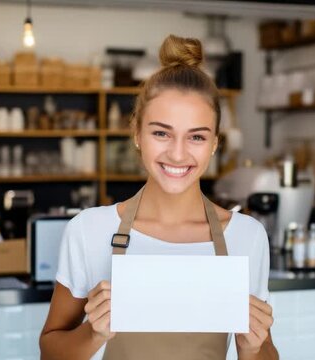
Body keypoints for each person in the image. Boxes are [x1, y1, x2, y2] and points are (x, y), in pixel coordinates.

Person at [39, 34, 278, 360]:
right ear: (137, 133)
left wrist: (253, 348)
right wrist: (93, 333)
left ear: (214, 145)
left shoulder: (247, 236)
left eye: (196, 136)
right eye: (161, 133)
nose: (177, 154)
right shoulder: (89, 231)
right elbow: (50, 352)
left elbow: (266, 354)